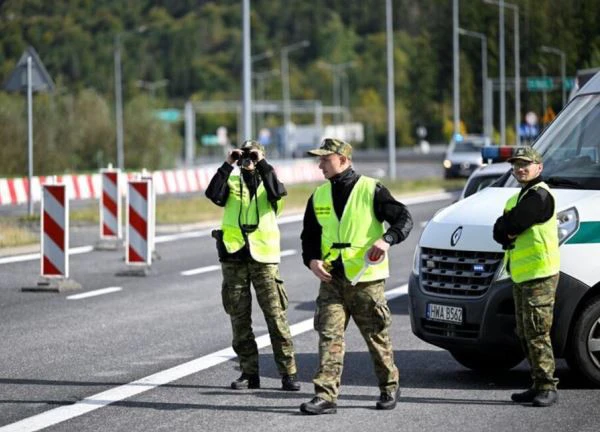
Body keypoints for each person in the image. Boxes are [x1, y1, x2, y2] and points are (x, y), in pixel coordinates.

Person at [299, 138, 413, 415]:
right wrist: (312, 261)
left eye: (325, 159)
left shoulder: (371, 189)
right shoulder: (319, 195)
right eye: (320, 159)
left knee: (376, 336)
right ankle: (325, 395)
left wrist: (386, 239)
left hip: (365, 279)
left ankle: (389, 387)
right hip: (332, 279)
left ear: (344, 159)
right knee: (328, 336)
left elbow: (404, 218)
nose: (320, 164)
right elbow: (310, 237)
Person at [205, 139, 300, 392]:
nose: (247, 159)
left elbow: (277, 194)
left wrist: (262, 163)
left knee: (275, 318)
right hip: (234, 255)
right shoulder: (232, 180)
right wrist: (228, 164)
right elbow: (213, 194)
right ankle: (249, 373)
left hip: (264, 258)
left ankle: (288, 373)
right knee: (239, 318)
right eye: (244, 155)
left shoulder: (270, 183)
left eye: (252, 155)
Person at [493, 146, 560, 407]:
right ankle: (536, 383)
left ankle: (547, 386)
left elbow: (512, 225)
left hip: (540, 274)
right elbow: (500, 230)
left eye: (526, 164)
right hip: (522, 274)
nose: (520, 168)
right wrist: (505, 228)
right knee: (524, 332)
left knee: (537, 332)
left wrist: (506, 227)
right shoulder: (518, 197)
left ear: (539, 168)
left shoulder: (539, 196)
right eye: (516, 164)